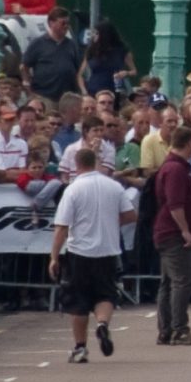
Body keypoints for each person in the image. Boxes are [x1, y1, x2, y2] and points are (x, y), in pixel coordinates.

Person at [48, 144, 135, 364]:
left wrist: (54, 257)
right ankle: (103, 324)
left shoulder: (73, 189)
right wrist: (111, 222)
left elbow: (62, 226)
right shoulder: (113, 186)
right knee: (105, 294)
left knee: (78, 300)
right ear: (95, 163)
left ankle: (80, 347)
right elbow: (131, 215)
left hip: (80, 252)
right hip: (107, 250)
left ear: (77, 165)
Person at [149, 126, 191, 346]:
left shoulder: (174, 166)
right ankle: (179, 328)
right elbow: (175, 204)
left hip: (166, 231)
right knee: (181, 281)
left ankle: (166, 328)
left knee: (168, 282)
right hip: (172, 233)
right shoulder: (176, 169)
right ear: (189, 142)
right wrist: (185, 230)